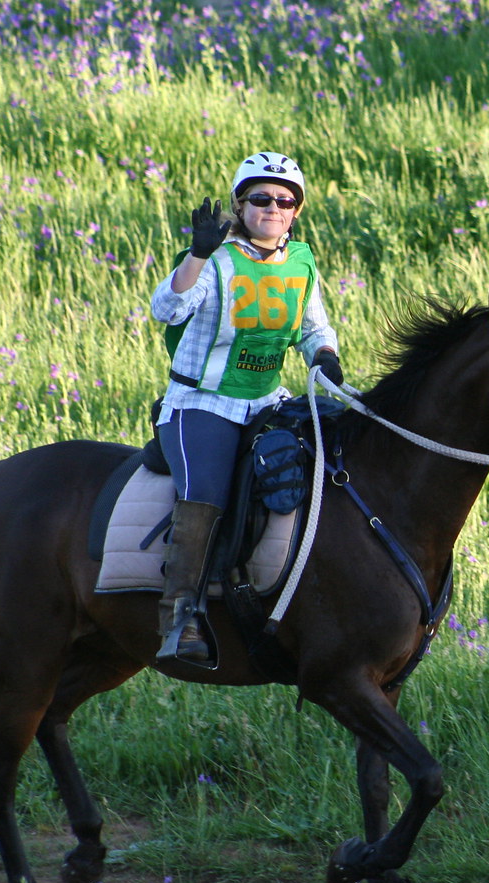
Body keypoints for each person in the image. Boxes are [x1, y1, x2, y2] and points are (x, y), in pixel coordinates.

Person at [150, 151, 343, 663]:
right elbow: (166, 309)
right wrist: (195, 255)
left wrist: (325, 356)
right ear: (241, 203)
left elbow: (312, 327)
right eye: (260, 198)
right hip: (201, 403)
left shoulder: (301, 262)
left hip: (266, 401)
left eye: (285, 200)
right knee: (207, 493)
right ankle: (180, 618)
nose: (272, 207)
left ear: (296, 212)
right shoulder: (215, 260)